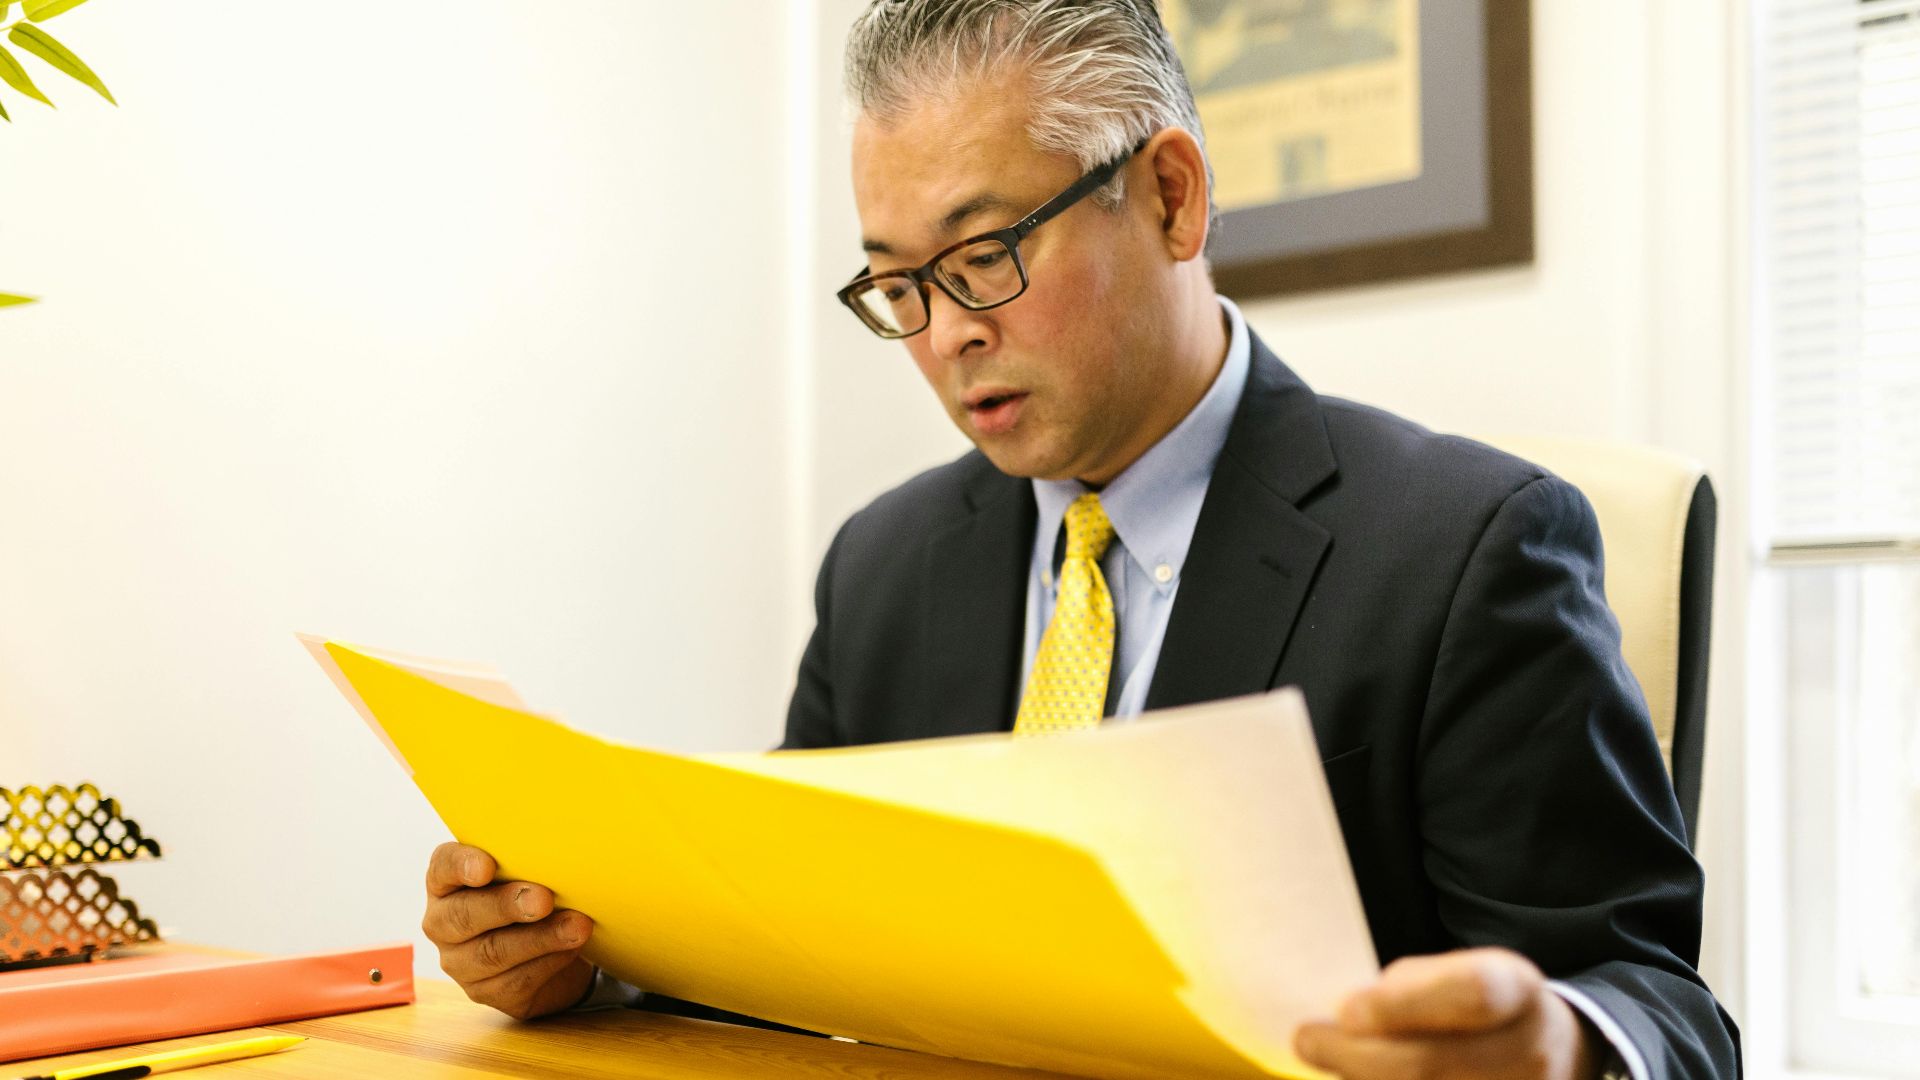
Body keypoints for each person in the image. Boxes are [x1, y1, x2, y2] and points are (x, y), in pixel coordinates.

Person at [419, 2, 1741, 1077]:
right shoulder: (884, 567)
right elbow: (790, 935)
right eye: (896, 284)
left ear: (1171, 197)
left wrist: (1567, 1047)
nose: (943, 336)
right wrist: (584, 952)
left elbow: (1662, 1008)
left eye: (983, 254)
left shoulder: (1465, 550)